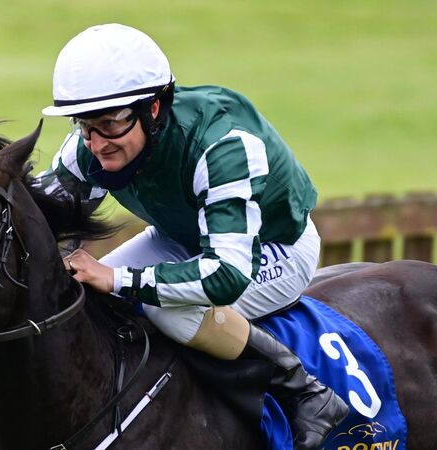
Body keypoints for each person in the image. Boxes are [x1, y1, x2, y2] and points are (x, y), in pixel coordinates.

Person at [37, 23, 348, 449]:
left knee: (167, 310)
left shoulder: (221, 145)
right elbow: (37, 217)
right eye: (84, 125)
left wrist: (118, 278)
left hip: (272, 248)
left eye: (109, 123)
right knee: (85, 296)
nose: (97, 143)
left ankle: (305, 390)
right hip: (183, 237)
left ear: (153, 108)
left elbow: (225, 276)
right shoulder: (88, 145)